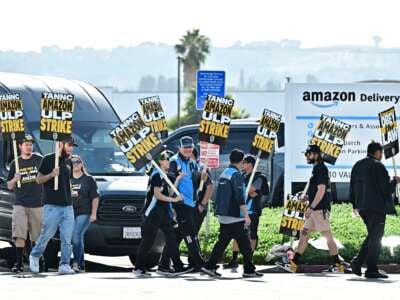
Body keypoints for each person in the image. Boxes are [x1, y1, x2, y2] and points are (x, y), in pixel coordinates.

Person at [284, 145, 346, 273]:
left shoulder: (321, 169)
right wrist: (307, 197)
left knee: (327, 236)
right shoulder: (316, 168)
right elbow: (317, 190)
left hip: (319, 210)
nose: (306, 156)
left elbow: (322, 190)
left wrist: (311, 207)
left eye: (308, 153)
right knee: (304, 234)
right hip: (315, 209)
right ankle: (294, 263)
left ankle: (338, 265)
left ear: (316, 154)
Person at [158, 136, 214, 276]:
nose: (188, 150)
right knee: (190, 235)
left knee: (177, 236)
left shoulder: (192, 162)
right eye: (185, 147)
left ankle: (163, 264)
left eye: (190, 147)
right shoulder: (174, 162)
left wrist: (202, 176)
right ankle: (200, 264)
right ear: (179, 148)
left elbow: (196, 179)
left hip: (191, 204)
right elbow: (168, 185)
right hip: (179, 204)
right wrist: (172, 207)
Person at [203, 149, 263, 278]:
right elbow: (240, 197)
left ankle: (210, 266)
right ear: (241, 161)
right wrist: (246, 215)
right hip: (234, 215)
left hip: (223, 214)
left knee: (222, 242)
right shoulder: (236, 175)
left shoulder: (225, 172)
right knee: (245, 245)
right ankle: (248, 270)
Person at [133, 150, 192, 277]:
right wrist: (174, 200)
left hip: (164, 211)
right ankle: (139, 268)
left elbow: (169, 192)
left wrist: (178, 179)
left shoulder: (164, 175)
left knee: (171, 238)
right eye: (166, 159)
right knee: (148, 240)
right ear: (160, 161)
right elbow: (157, 195)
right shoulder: (156, 175)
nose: (169, 161)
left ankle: (178, 266)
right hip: (154, 211)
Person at [350, 141, 399, 279]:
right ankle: (371, 269)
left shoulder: (357, 165)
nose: (382, 155)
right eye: (381, 152)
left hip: (362, 208)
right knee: (376, 238)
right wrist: (395, 181)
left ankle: (357, 263)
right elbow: (386, 189)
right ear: (376, 152)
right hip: (376, 208)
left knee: (373, 235)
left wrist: (354, 205)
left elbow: (352, 186)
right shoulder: (378, 166)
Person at [29, 137, 77, 275]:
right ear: (60, 144)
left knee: (67, 238)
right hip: (52, 206)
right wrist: (51, 174)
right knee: (47, 235)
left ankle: (64, 264)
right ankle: (35, 255)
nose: (71, 148)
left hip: (68, 206)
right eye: (69, 145)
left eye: (72, 145)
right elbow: (38, 179)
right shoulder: (48, 159)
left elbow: (68, 182)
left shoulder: (69, 161)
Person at [224, 154, 268, 269]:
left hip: (252, 211)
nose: (242, 165)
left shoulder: (259, 177)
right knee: (237, 235)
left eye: (245, 162)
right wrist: (247, 192)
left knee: (252, 235)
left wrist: (248, 191)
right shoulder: (241, 176)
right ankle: (233, 259)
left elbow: (250, 190)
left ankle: (249, 260)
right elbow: (238, 191)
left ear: (250, 164)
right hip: (240, 211)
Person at [7, 134, 43, 273]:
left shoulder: (39, 159)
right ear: (20, 146)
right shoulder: (15, 163)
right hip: (20, 203)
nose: (29, 146)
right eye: (26, 144)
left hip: (37, 203)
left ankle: (39, 259)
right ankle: (19, 263)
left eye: (30, 144)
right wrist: (15, 179)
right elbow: (9, 186)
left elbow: (47, 175)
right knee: (19, 234)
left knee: (36, 236)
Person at [70, 155, 99, 272]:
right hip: (70, 213)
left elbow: (95, 198)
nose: (75, 164)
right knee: (78, 237)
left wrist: (93, 214)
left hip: (84, 212)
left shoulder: (89, 179)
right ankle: (81, 264)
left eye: (77, 162)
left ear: (82, 164)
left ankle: (76, 262)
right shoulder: (67, 178)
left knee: (76, 236)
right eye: (72, 162)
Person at [191, 147, 214, 235]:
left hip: (198, 206)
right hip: (189, 206)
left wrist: (202, 204)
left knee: (193, 234)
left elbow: (210, 187)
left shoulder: (202, 168)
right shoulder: (188, 167)